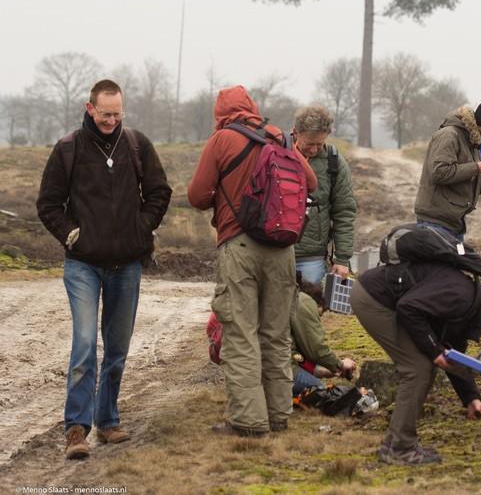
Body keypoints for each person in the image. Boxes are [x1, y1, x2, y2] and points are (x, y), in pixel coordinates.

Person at [36, 79, 172, 459]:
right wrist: (70, 233)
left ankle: (108, 421)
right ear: (90, 107)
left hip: (126, 265)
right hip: (82, 265)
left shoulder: (137, 144)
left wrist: (141, 227)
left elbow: (160, 192)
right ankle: (76, 430)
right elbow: (47, 204)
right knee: (83, 345)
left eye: (118, 113)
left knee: (117, 349)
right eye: (106, 113)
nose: (112, 120)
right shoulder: (68, 149)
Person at [187, 85, 317, 437]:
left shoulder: (222, 140)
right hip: (282, 249)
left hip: (239, 246)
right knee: (276, 336)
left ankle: (248, 421)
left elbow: (197, 195)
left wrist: (227, 193)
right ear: (253, 109)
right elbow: (311, 181)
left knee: (241, 334)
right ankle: (278, 416)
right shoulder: (277, 136)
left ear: (220, 113)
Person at [350, 263, 481, 465]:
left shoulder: (470, 308)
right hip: (373, 298)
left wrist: (471, 398)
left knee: (426, 364)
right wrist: (434, 351)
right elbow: (408, 308)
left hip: (383, 298)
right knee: (418, 368)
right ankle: (399, 448)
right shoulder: (460, 297)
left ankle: (396, 444)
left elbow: (454, 354)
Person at [414, 91, 481, 241]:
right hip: (434, 223)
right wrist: (478, 167)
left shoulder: (473, 143)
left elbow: (464, 185)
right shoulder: (449, 135)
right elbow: (440, 173)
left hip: (453, 223)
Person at [292, 105, 357, 285]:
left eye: (319, 144)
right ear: (296, 133)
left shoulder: (333, 162)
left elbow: (344, 211)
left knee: (309, 310)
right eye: (309, 143)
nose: (314, 149)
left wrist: (342, 259)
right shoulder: (276, 156)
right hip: (274, 253)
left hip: (312, 258)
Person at [290, 281, 357, 396]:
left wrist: (322, 371)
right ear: (317, 305)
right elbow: (315, 348)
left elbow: (294, 355)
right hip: (277, 369)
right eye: (318, 315)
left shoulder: (292, 300)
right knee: (319, 390)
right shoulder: (305, 302)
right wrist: (340, 364)